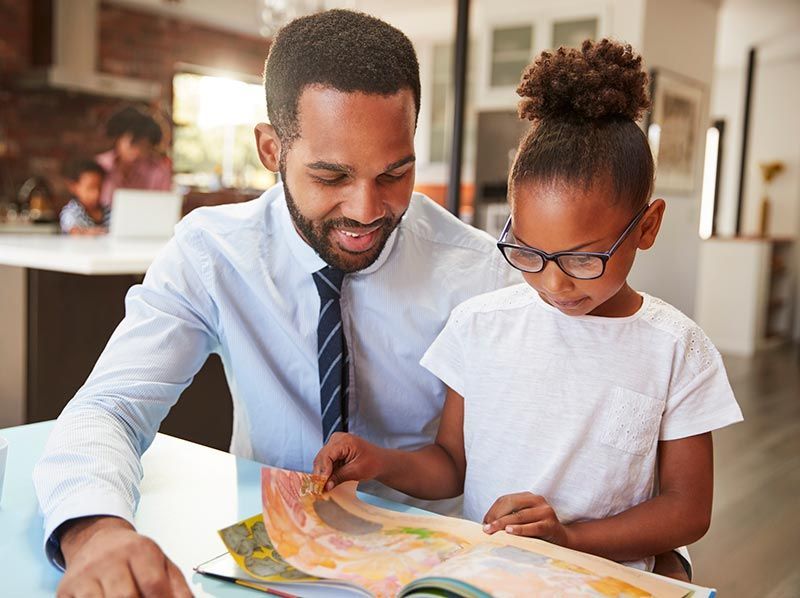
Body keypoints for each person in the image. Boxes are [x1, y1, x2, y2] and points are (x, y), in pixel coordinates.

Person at [33, 10, 518, 598]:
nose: (367, 210)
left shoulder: (480, 272)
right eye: (330, 175)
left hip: (435, 568)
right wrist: (97, 532)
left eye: (395, 172)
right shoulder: (213, 251)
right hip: (265, 561)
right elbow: (109, 406)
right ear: (270, 148)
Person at [313, 39, 743, 576]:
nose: (555, 282)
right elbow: (451, 467)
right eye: (529, 253)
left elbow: (688, 509)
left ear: (648, 227)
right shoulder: (479, 325)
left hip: (604, 581)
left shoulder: (677, 349)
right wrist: (378, 459)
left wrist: (570, 538)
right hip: (487, 578)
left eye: (584, 259)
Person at [95, 105, 172, 207]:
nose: (138, 152)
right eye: (133, 144)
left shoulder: (158, 172)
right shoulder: (100, 167)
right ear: (118, 138)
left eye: (145, 147)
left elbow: (163, 208)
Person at [60, 159, 110, 235]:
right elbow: (73, 231)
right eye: (90, 188)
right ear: (74, 187)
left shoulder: (109, 211)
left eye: (99, 188)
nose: (96, 193)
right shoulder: (71, 212)